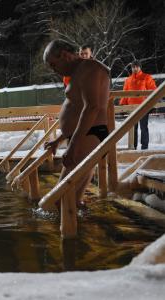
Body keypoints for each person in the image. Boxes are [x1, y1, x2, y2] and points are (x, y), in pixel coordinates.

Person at [43, 39, 110, 206]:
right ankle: (81, 229)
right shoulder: (79, 72)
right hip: (84, 135)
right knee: (73, 201)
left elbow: (92, 108)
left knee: (59, 199)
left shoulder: (89, 68)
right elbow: (78, 110)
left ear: (65, 55)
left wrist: (73, 146)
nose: (53, 70)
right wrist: (59, 140)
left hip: (90, 134)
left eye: (53, 64)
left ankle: (69, 231)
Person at [119, 60, 157, 149]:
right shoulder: (128, 80)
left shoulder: (147, 77)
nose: (135, 68)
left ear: (140, 67)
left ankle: (144, 147)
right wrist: (122, 106)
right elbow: (125, 93)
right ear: (131, 68)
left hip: (143, 106)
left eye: (137, 66)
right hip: (131, 108)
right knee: (133, 128)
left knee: (144, 127)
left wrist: (153, 104)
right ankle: (133, 147)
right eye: (133, 67)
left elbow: (153, 90)